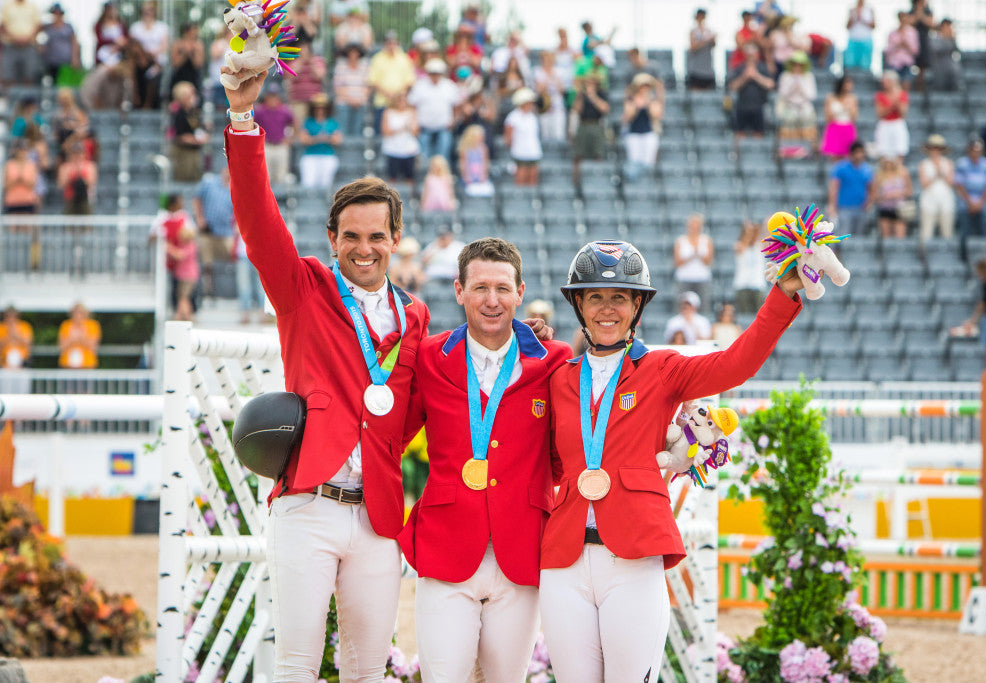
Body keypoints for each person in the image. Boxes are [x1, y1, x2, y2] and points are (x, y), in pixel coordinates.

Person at [222, 67, 432, 681]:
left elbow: (419, 404)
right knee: (296, 662)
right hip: (309, 503)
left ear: (395, 239)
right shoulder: (304, 287)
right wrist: (242, 119)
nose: (363, 249)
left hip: (377, 514)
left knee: (368, 667)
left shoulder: (414, 315)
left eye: (376, 237)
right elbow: (257, 220)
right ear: (332, 239)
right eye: (350, 237)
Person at [538, 239, 805, 682]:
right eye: (595, 297)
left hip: (634, 558)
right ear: (579, 305)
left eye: (619, 297)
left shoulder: (662, 368)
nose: (607, 309)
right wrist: (526, 337)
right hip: (564, 562)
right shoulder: (558, 377)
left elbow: (735, 364)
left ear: (637, 305)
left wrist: (782, 296)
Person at [399, 238, 570, 682]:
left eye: (501, 288)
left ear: (519, 291)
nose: (491, 300)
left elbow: (567, 450)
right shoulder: (430, 357)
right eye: (479, 288)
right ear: (459, 291)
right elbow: (393, 437)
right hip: (445, 546)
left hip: (522, 549)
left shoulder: (554, 360)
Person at [193, 167, 235, 298]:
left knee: (238, 256)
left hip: (226, 232)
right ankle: (208, 290)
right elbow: (197, 198)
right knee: (207, 262)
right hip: (208, 231)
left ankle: (233, 292)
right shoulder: (210, 183)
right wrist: (199, 218)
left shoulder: (235, 187)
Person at [408, 59, 461, 162]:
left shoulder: (449, 86)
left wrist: (454, 121)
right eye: (433, 73)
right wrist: (414, 124)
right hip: (424, 129)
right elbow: (412, 106)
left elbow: (456, 106)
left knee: (443, 159)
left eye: (437, 73)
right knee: (424, 159)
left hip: (444, 129)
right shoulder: (420, 86)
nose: (435, 76)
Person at [954, 138, 986, 255]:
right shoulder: (962, 164)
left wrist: (980, 202)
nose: (975, 153)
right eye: (973, 150)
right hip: (966, 201)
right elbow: (959, 185)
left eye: (978, 150)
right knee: (965, 229)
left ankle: (983, 254)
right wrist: (970, 202)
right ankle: (964, 255)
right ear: (969, 150)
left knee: (984, 226)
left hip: (982, 201)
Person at [367, 30, 417, 132]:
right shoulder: (377, 59)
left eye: (393, 42)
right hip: (382, 102)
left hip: (400, 104)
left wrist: (397, 96)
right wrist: (389, 95)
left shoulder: (404, 58)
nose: (391, 45)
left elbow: (409, 81)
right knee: (381, 132)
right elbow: (373, 81)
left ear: (397, 43)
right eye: (389, 42)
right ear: (385, 44)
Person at [727, 43, 774, 140]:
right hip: (742, 107)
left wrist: (756, 76)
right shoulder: (740, 68)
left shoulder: (763, 68)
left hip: (759, 107)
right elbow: (732, 86)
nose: (751, 56)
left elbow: (771, 84)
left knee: (759, 135)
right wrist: (745, 77)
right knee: (739, 135)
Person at [775, 51, 817, 159]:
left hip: (804, 107)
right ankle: (789, 152)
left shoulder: (809, 76)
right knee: (788, 127)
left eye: (800, 64)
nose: (797, 67)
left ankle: (807, 152)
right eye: (795, 64)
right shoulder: (785, 76)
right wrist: (793, 86)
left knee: (808, 127)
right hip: (790, 107)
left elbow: (811, 95)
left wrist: (801, 87)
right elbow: (782, 94)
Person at [828, 140, 874, 236]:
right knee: (844, 236)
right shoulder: (841, 168)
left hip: (861, 208)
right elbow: (834, 187)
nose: (860, 155)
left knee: (859, 237)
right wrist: (832, 206)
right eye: (858, 152)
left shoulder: (867, 169)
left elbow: (871, 188)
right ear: (852, 153)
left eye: (861, 152)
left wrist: (869, 202)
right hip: (844, 208)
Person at [128, 1, 169, 109]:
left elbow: (164, 46)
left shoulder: (161, 27)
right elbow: (133, 46)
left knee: (153, 78)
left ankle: (150, 105)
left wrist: (152, 55)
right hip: (139, 61)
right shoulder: (136, 27)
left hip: (156, 61)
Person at [571, 73, 610, 185]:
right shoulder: (581, 95)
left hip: (596, 125)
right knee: (579, 155)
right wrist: (581, 96)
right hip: (583, 124)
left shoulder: (601, 94)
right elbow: (576, 110)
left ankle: (596, 179)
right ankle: (577, 181)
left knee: (597, 153)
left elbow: (605, 109)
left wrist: (593, 97)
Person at [622, 74, 663, 179]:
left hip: (648, 133)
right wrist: (636, 104)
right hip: (634, 134)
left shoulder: (653, 101)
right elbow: (628, 117)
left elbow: (656, 115)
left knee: (648, 162)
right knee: (634, 161)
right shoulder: (631, 101)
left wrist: (647, 102)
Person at [254, 82, 295, 186]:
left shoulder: (284, 110)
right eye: (270, 96)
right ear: (266, 96)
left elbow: (294, 123)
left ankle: (279, 201)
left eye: (274, 96)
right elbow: (252, 124)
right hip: (266, 145)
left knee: (281, 176)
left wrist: (289, 138)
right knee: (265, 176)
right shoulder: (260, 110)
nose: (272, 98)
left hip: (281, 145)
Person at [298, 94, 343, 189]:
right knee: (308, 184)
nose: (320, 110)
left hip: (327, 155)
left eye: (323, 108)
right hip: (311, 156)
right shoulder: (308, 121)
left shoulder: (332, 122)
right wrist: (322, 138)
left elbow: (337, 140)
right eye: (318, 108)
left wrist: (315, 138)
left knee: (326, 184)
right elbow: (304, 139)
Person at [918, 134, 957, 242]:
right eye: (933, 148)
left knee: (947, 231)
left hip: (946, 200)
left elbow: (951, 182)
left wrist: (942, 173)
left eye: (938, 148)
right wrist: (935, 174)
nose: (935, 150)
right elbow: (924, 184)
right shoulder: (924, 164)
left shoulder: (948, 163)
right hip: (929, 200)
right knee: (926, 232)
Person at [169, 81, 208, 183]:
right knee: (184, 178)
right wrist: (195, 140)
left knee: (196, 177)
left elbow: (200, 128)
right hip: (183, 152)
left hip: (195, 151)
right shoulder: (178, 113)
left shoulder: (194, 112)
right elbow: (179, 136)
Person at [380, 92, 420, 189]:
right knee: (392, 177)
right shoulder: (388, 112)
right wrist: (401, 128)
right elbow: (385, 131)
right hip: (392, 149)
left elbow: (416, 132)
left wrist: (411, 126)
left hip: (408, 149)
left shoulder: (411, 112)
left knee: (409, 177)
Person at [673, 213, 714, 304]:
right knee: (683, 304)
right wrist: (691, 256)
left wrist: (698, 255)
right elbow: (677, 262)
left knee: (704, 305)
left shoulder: (706, 240)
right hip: (684, 277)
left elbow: (709, 261)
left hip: (702, 277)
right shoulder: (681, 240)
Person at [505, 88, 543, 186]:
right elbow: (508, 138)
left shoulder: (533, 117)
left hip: (533, 151)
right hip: (520, 152)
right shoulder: (513, 117)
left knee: (533, 178)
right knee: (521, 179)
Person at [0, 0, 42, 86]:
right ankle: (8, 98)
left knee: (29, 76)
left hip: (29, 46)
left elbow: (39, 25)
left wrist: (27, 38)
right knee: (8, 76)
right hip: (10, 46)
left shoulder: (32, 6)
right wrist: (13, 37)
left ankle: (27, 98)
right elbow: (2, 25)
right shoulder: (7, 6)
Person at [333, 43, 370, 138]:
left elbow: (368, 86)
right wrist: (351, 100)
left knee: (358, 131)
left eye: (355, 53)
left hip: (360, 103)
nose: (353, 55)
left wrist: (359, 100)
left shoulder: (365, 66)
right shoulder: (341, 66)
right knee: (343, 130)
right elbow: (338, 88)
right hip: (344, 102)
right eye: (351, 53)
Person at [820, 75, 859, 161]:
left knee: (847, 156)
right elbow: (827, 117)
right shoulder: (830, 97)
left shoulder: (852, 98)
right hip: (834, 127)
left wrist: (848, 106)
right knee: (834, 156)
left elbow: (854, 117)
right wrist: (842, 109)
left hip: (847, 128)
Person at [874, 157, 913, 239]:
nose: (889, 164)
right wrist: (884, 196)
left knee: (900, 239)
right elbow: (875, 195)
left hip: (900, 209)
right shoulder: (879, 176)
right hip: (885, 209)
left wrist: (898, 193)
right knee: (886, 239)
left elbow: (909, 191)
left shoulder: (903, 173)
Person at [874, 71, 909, 161]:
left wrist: (895, 102)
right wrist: (892, 105)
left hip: (897, 124)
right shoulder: (880, 95)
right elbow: (880, 114)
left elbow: (903, 113)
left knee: (899, 151)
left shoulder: (902, 94)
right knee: (883, 151)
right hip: (885, 124)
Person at [40, 4, 80, 83]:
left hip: (66, 61)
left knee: (65, 83)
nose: (57, 15)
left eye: (59, 13)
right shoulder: (48, 27)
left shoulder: (68, 27)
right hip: (51, 61)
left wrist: (75, 58)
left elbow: (74, 42)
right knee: (53, 82)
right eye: (54, 13)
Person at [733, 220, 766, 314]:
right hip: (742, 284)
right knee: (744, 315)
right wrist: (748, 231)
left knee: (759, 314)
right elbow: (741, 248)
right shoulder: (739, 245)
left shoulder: (760, 246)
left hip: (757, 284)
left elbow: (768, 238)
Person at [534, 51, 567, 141]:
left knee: (558, 134)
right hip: (544, 107)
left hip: (557, 107)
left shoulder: (559, 71)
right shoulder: (538, 71)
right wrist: (547, 78)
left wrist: (554, 78)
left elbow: (562, 90)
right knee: (545, 134)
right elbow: (539, 90)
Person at [56, 142, 97, 215]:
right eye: (74, 153)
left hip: (85, 199)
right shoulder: (65, 167)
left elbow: (92, 182)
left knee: (86, 222)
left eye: (79, 153)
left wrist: (80, 174)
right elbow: (61, 184)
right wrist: (72, 176)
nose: (77, 156)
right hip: (70, 199)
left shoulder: (90, 166)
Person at [58, 303, 101, 369]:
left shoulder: (92, 325)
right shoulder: (66, 325)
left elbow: (93, 346)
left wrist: (79, 337)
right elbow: (62, 347)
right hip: (67, 365)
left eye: (80, 313)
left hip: (87, 365)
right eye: (75, 313)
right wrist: (74, 339)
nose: (78, 316)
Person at [3, 140, 41, 216]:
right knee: (12, 225)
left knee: (27, 225)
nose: (22, 152)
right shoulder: (9, 164)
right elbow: (6, 185)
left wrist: (21, 181)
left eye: (24, 149)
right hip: (12, 201)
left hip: (28, 200)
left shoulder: (31, 165)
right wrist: (17, 181)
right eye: (20, 149)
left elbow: (33, 185)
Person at [169, 21, 205, 100]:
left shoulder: (198, 44)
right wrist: (184, 52)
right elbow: (175, 64)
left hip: (193, 77)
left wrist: (192, 52)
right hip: (179, 77)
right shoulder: (177, 43)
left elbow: (198, 64)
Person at [884, 12, 919, 91]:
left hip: (907, 63)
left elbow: (915, 50)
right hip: (894, 63)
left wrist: (906, 44)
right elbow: (887, 50)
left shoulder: (912, 32)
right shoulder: (892, 33)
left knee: (906, 84)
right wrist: (897, 45)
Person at [457, 124, 494, 197]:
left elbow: (485, 163)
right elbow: (463, 164)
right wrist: (466, 177)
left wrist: (484, 176)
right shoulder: (464, 149)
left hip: (481, 175)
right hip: (468, 176)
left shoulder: (484, 148)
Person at [686, 9, 717, 90]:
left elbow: (713, 46)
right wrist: (706, 40)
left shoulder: (709, 31)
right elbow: (692, 47)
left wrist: (713, 40)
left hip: (708, 70)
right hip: (696, 70)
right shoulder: (693, 31)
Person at [930, 19, 961, 91]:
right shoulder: (935, 38)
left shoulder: (951, 39)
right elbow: (936, 50)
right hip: (939, 66)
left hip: (950, 66)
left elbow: (957, 51)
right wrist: (945, 39)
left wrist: (952, 39)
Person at [845, 0, 875, 71]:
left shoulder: (870, 9)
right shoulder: (852, 10)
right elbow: (847, 26)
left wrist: (862, 19)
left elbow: (873, 26)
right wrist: (854, 17)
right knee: (850, 63)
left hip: (866, 39)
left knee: (865, 64)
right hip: (853, 39)